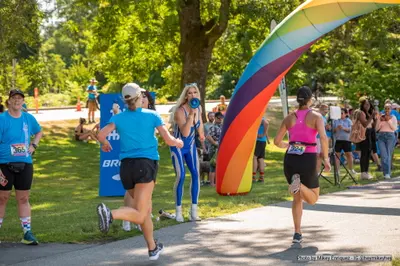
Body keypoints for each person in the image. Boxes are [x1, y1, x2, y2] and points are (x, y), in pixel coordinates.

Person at [96, 83, 183, 261]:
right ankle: (111, 214)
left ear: (124, 99)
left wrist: (105, 144)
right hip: (145, 165)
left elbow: (100, 134)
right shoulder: (152, 115)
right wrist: (178, 142)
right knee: (142, 213)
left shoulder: (119, 118)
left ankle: (152, 248)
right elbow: (168, 140)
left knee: (145, 209)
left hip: (126, 169)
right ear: (139, 97)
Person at [274, 86, 330, 243]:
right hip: (308, 158)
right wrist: (326, 158)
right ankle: (298, 184)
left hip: (290, 159)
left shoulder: (289, 118)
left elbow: (276, 141)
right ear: (310, 99)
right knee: (312, 198)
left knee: (297, 197)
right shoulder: (316, 116)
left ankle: (297, 233)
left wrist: (288, 145)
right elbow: (324, 138)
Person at [0, 89, 43, 245]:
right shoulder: (2, 119)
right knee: (2, 198)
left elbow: (39, 132)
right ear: (9, 101)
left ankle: (27, 233)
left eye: (20, 98)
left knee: (23, 198)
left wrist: (34, 145)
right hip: (4, 164)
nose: (17, 101)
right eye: (14, 98)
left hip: (25, 163)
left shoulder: (28, 118)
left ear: (23, 101)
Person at [122, 90, 156, 232]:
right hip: (134, 158)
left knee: (147, 191)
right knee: (132, 192)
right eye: (139, 96)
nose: (142, 99)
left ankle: (143, 216)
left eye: (144, 97)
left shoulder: (152, 115)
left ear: (148, 100)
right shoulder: (131, 114)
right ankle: (126, 218)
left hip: (150, 156)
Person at [170, 83, 205, 222]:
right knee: (181, 176)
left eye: (194, 92)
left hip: (190, 146)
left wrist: (201, 135)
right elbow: (184, 133)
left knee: (196, 174)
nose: (192, 95)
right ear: (186, 96)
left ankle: (194, 211)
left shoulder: (199, 108)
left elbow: (200, 127)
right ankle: (178, 211)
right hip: (178, 146)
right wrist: (191, 114)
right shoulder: (180, 111)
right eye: (189, 93)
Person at [357, 97, 377, 180]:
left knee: (368, 153)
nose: (367, 105)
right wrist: (372, 116)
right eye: (365, 104)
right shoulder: (361, 113)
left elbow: (373, 126)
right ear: (362, 105)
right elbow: (365, 124)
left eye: (368, 104)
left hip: (370, 133)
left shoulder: (369, 113)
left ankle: (366, 172)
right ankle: (363, 173)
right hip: (364, 134)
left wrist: (375, 119)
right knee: (364, 154)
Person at [376, 103, 397, 179]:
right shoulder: (381, 117)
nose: (387, 110)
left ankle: (387, 173)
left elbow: (394, 128)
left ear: (391, 109)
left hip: (390, 136)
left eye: (388, 108)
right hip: (381, 136)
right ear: (384, 109)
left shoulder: (393, 117)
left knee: (388, 155)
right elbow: (377, 129)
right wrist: (379, 119)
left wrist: (388, 121)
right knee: (383, 155)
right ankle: (385, 173)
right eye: (385, 108)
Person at [332, 109, 357, 175]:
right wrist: (337, 128)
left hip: (347, 141)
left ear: (346, 114)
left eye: (342, 113)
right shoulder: (335, 121)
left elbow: (350, 130)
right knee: (337, 156)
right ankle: (337, 171)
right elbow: (333, 131)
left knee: (349, 155)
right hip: (338, 140)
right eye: (339, 113)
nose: (340, 114)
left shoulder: (348, 121)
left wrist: (343, 128)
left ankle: (351, 170)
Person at [206, 111, 224, 187]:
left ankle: (217, 182)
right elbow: (208, 136)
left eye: (221, 118)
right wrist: (215, 143)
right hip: (213, 149)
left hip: (221, 149)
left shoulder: (222, 126)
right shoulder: (212, 127)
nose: (220, 120)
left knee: (219, 166)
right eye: (219, 118)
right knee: (213, 166)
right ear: (215, 118)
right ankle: (212, 183)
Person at [253, 117, 270, 183]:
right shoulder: (262, 118)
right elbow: (266, 130)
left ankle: (253, 177)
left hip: (259, 141)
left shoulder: (260, 118)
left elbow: (266, 123)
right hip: (263, 141)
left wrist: (262, 135)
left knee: (254, 158)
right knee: (261, 159)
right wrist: (267, 139)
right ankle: (261, 177)